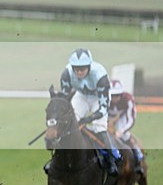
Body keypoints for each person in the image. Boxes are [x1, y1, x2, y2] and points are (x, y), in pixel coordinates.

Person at [59, 48, 120, 176]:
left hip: (98, 98)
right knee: (67, 124)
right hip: (81, 96)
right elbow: (65, 99)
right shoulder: (66, 74)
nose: (79, 72)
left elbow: (103, 108)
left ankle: (111, 160)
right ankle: (59, 158)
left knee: (99, 127)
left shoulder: (100, 76)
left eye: (82, 68)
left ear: (89, 66)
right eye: (76, 69)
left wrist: (87, 119)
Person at [107, 79, 144, 174]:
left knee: (124, 135)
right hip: (108, 118)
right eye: (112, 95)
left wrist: (122, 131)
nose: (114, 98)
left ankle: (137, 156)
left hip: (122, 118)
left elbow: (131, 119)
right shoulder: (105, 99)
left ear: (121, 94)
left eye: (117, 95)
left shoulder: (128, 99)